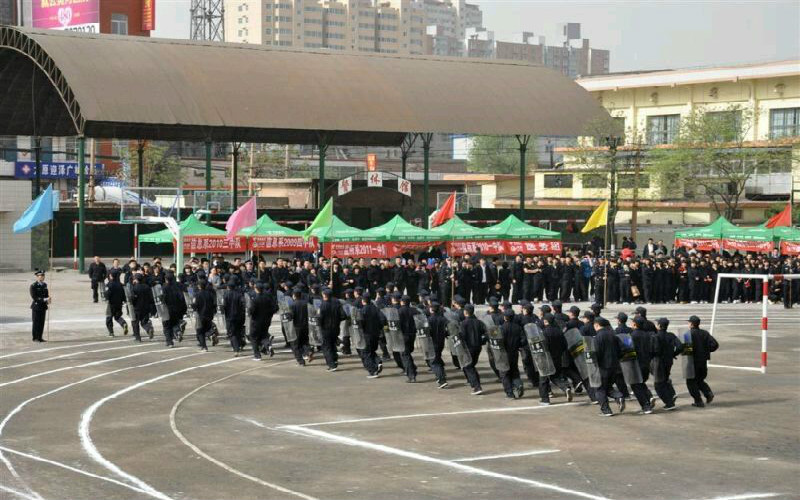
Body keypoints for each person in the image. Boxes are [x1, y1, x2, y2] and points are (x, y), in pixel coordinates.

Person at [685, 315, 719, 408]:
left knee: (691, 382)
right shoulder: (705, 333)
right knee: (700, 380)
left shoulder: (688, 334)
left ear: (691, 324)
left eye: (689, 322)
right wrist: (707, 350)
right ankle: (708, 393)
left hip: (692, 362)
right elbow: (715, 344)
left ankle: (698, 401)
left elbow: (687, 351)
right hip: (703, 361)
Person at [593, 317, 625, 416]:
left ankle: (606, 410)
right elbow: (622, 350)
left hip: (603, 367)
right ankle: (619, 396)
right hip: (615, 366)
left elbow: (596, 353)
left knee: (599, 388)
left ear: (597, 325)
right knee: (607, 387)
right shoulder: (614, 335)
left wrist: (594, 363)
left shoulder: (597, 337)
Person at [652, 317, 681, 410]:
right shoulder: (671, 335)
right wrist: (673, 354)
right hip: (669, 361)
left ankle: (669, 403)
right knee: (665, 380)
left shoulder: (655, 336)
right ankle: (671, 395)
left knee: (658, 384)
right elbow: (680, 346)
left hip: (658, 362)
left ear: (659, 326)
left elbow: (654, 350)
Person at [459, 304, 485, 395]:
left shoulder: (464, 323)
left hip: (468, 348)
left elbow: (462, 336)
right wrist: (482, 341)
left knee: (468, 366)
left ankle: (476, 387)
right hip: (478, 347)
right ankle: (476, 383)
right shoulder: (479, 322)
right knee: (471, 365)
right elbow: (486, 333)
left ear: (466, 312)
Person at [248, 282, 276, 360]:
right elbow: (273, 308)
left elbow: (252, 311)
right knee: (263, 335)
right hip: (266, 320)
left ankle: (257, 355)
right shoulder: (268, 298)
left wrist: (249, 312)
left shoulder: (255, 299)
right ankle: (268, 345)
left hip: (256, 321)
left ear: (256, 289)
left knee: (253, 337)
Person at [500, 309, 524, 399]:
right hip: (514, 352)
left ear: (505, 317)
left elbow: (500, 341)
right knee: (514, 371)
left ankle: (509, 393)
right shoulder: (518, 327)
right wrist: (518, 345)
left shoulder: (502, 328)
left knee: (504, 373)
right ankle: (518, 385)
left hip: (505, 353)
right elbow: (523, 339)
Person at [319, 288, 345, 371]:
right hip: (336, 328)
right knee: (332, 344)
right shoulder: (337, 302)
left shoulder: (323, 305)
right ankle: (335, 360)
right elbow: (343, 315)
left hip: (326, 328)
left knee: (327, 347)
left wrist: (320, 325)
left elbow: (320, 318)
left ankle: (331, 364)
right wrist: (337, 320)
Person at [161, 272, 187, 347]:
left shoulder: (164, 287)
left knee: (166, 326)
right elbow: (181, 297)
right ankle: (177, 331)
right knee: (175, 323)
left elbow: (162, 298)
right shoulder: (177, 287)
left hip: (166, 309)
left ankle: (169, 342)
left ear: (166, 279)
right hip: (176, 308)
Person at [427, 301, 449, 388]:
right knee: (438, 358)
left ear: (431, 309)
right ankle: (441, 375)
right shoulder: (443, 319)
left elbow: (427, 332)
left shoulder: (429, 319)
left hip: (433, 342)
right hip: (441, 342)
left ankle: (441, 379)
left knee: (434, 361)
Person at [222, 282, 247, 355]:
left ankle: (236, 349)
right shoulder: (239, 295)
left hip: (229, 317)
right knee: (238, 332)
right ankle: (241, 344)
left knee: (232, 333)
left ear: (228, 287)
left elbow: (224, 306)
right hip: (239, 316)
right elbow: (243, 305)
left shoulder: (226, 295)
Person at [398, 295, 418, 382]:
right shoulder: (414, 310)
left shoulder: (400, 311)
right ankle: (413, 368)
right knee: (408, 353)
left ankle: (411, 375)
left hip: (403, 335)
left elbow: (398, 324)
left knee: (405, 355)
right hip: (412, 334)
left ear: (402, 302)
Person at [130, 273, 155, 342]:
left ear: (136, 279)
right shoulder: (147, 287)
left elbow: (132, 299)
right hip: (146, 307)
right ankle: (148, 329)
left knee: (135, 322)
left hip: (137, 308)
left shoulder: (134, 288)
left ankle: (137, 337)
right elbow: (151, 298)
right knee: (144, 322)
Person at [193, 280, 217, 352]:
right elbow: (214, 304)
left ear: (199, 286)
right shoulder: (210, 294)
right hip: (209, 314)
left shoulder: (197, 294)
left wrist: (194, 309)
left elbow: (195, 305)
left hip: (200, 315)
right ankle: (211, 334)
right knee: (206, 328)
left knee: (200, 331)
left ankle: (204, 346)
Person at [104, 270, 128, 337]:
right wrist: (124, 300)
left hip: (111, 304)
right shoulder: (120, 284)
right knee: (117, 317)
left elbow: (108, 294)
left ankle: (111, 332)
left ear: (111, 276)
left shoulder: (110, 284)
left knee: (109, 317)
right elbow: (123, 294)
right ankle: (123, 323)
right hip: (119, 303)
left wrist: (106, 298)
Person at [30, 270, 49, 342]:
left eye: (43, 276)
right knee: (36, 323)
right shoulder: (33, 286)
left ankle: (40, 337)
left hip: (43, 306)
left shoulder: (45, 285)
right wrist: (44, 299)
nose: (42, 277)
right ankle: (35, 338)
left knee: (41, 323)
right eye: (41, 276)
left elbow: (46, 295)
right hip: (36, 307)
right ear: (37, 277)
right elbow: (34, 297)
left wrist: (48, 300)